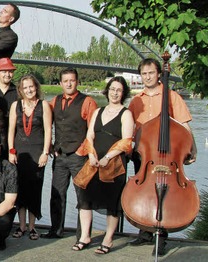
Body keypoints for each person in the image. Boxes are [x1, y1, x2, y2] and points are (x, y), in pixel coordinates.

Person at [127, 58, 196, 256]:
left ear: (159, 74)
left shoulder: (172, 96)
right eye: (144, 74)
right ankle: (145, 233)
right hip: (144, 153)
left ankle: (161, 236)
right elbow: (131, 126)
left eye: (151, 73)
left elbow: (183, 124)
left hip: (166, 152)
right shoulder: (136, 99)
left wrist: (193, 148)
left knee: (167, 192)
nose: (147, 77)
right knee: (143, 191)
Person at [72, 76, 134, 254]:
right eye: (112, 89)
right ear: (107, 91)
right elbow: (90, 135)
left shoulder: (126, 114)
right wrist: (91, 154)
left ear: (123, 93)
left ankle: (108, 239)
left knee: (111, 203)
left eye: (119, 90)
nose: (115, 93)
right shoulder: (98, 112)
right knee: (84, 199)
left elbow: (126, 141)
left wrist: (108, 157)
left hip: (114, 164)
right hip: (93, 162)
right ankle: (85, 236)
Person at [42, 68, 98, 239]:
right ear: (60, 83)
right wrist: (49, 146)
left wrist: (83, 150)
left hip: (79, 156)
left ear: (77, 82)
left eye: (72, 80)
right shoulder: (54, 101)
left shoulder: (87, 101)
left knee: (83, 196)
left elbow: (93, 130)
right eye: (65, 81)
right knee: (57, 194)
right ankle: (56, 230)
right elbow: (44, 121)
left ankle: (83, 234)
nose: (68, 83)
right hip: (60, 156)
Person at [8, 75, 52, 240]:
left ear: (36, 87)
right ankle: (21, 226)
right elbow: (11, 130)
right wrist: (11, 151)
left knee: (35, 189)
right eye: (25, 87)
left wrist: (45, 152)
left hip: (37, 152)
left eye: (31, 87)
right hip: (20, 153)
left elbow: (48, 130)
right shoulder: (15, 106)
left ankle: (32, 227)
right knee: (20, 189)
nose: (28, 90)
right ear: (21, 89)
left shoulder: (44, 105)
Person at [0, 58, 18, 157]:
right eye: (4, 71)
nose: (7, 74)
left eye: (10, 71)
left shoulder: (18, 92)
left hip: (13, 139)